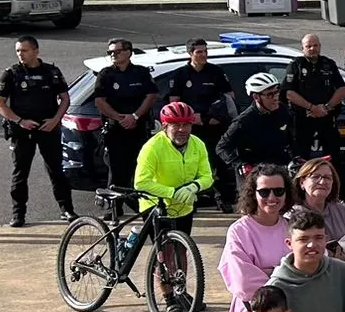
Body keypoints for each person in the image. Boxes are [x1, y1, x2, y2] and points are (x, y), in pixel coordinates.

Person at [0, 35, 73, 228]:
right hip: (22, 130)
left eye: (25, 50)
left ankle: (67, 209)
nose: (21, 54)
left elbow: (65, 99)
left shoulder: (51, 72)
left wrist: (55, 120)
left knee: (56, 169)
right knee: (20, 172)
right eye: (18, 51)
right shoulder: (11, 74)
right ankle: (18, 214)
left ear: (36, 51)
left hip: (48, 128)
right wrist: (20, 121)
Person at [221, 164, 295, 312]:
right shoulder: (238, 231)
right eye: (264, 192)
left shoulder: (293, 227)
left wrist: (269, 274)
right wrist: (290, 281)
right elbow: (243, 282)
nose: (272, 197)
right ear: (253, 194)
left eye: (278, 191)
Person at [168, 39, 239, 210]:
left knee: (219, 164)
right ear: (190, 54)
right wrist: (193, 118)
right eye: (199, 52)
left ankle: (223, 199)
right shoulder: (180, 75)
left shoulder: (215, 72)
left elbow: (229, 98)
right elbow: (173, 103)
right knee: (194, 164)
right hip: (190, 128)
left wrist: (215, 116)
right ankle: (190, 199)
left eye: (205, 51)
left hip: (215, 126)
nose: (203, 55)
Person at [135, 102, 212, 247]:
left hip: (184, 206)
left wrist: (194, 186)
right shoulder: (152, 147)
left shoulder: (198, 144)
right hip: (156, 205)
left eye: (186, 124)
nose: (182, 129)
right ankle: (158, 268)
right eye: (175, 125)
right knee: (166, 253)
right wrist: (173, 192)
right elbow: (141, 183)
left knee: (183, 249)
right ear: (165, 126)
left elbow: (207, 176)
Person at [95, 38, 158, 189]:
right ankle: (115, 209)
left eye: (117, 51)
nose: (113, 55)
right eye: (110, 52)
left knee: (141, 168)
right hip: (115, 130)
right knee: (116, 171)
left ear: (128, 52)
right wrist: (120, 118)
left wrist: (134, 116)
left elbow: (152, 96)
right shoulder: (105, 74)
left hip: (138, 128)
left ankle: (142, 206)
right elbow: (99, 101)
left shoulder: (141, 72)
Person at [283, 34, 345, 162]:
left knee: (332, 157)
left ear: (320, 47)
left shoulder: (329, 64)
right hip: (302, 120)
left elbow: (343, 90)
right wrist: (312, 108)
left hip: (326, 118)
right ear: (303, 48)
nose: (312, 48)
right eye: (308, 46)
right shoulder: (296, 65)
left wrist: (327, 107)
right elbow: (288, 93)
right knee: (300, 158)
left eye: (315, 45)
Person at [217, 72, 292, 183]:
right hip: (253, 175)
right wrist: (240, 164)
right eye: (270, 94)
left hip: (278, 171)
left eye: (277, 92)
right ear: (256, 97)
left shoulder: (283, 110)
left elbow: (291, 138)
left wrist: (296, 157)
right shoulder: (243, 121)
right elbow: (222, 147)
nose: (276, 98)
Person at [292, 155, 345, 249]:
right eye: (315, 177)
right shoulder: (292, 215)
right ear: (302, 182)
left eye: (327, 178)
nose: (322, 182)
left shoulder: (342, 211)